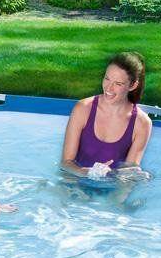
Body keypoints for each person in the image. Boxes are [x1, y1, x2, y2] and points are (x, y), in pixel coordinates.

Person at [60, 52, 153, 182]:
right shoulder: (83, 108)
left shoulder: (142, 123)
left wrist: (120, 179)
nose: (109, 88)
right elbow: (66, 163)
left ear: (132, 85)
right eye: (107, 79)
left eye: (118, 83)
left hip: (112, 187)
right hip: (75, 182)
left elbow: (127, 177)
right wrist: (85, 172)